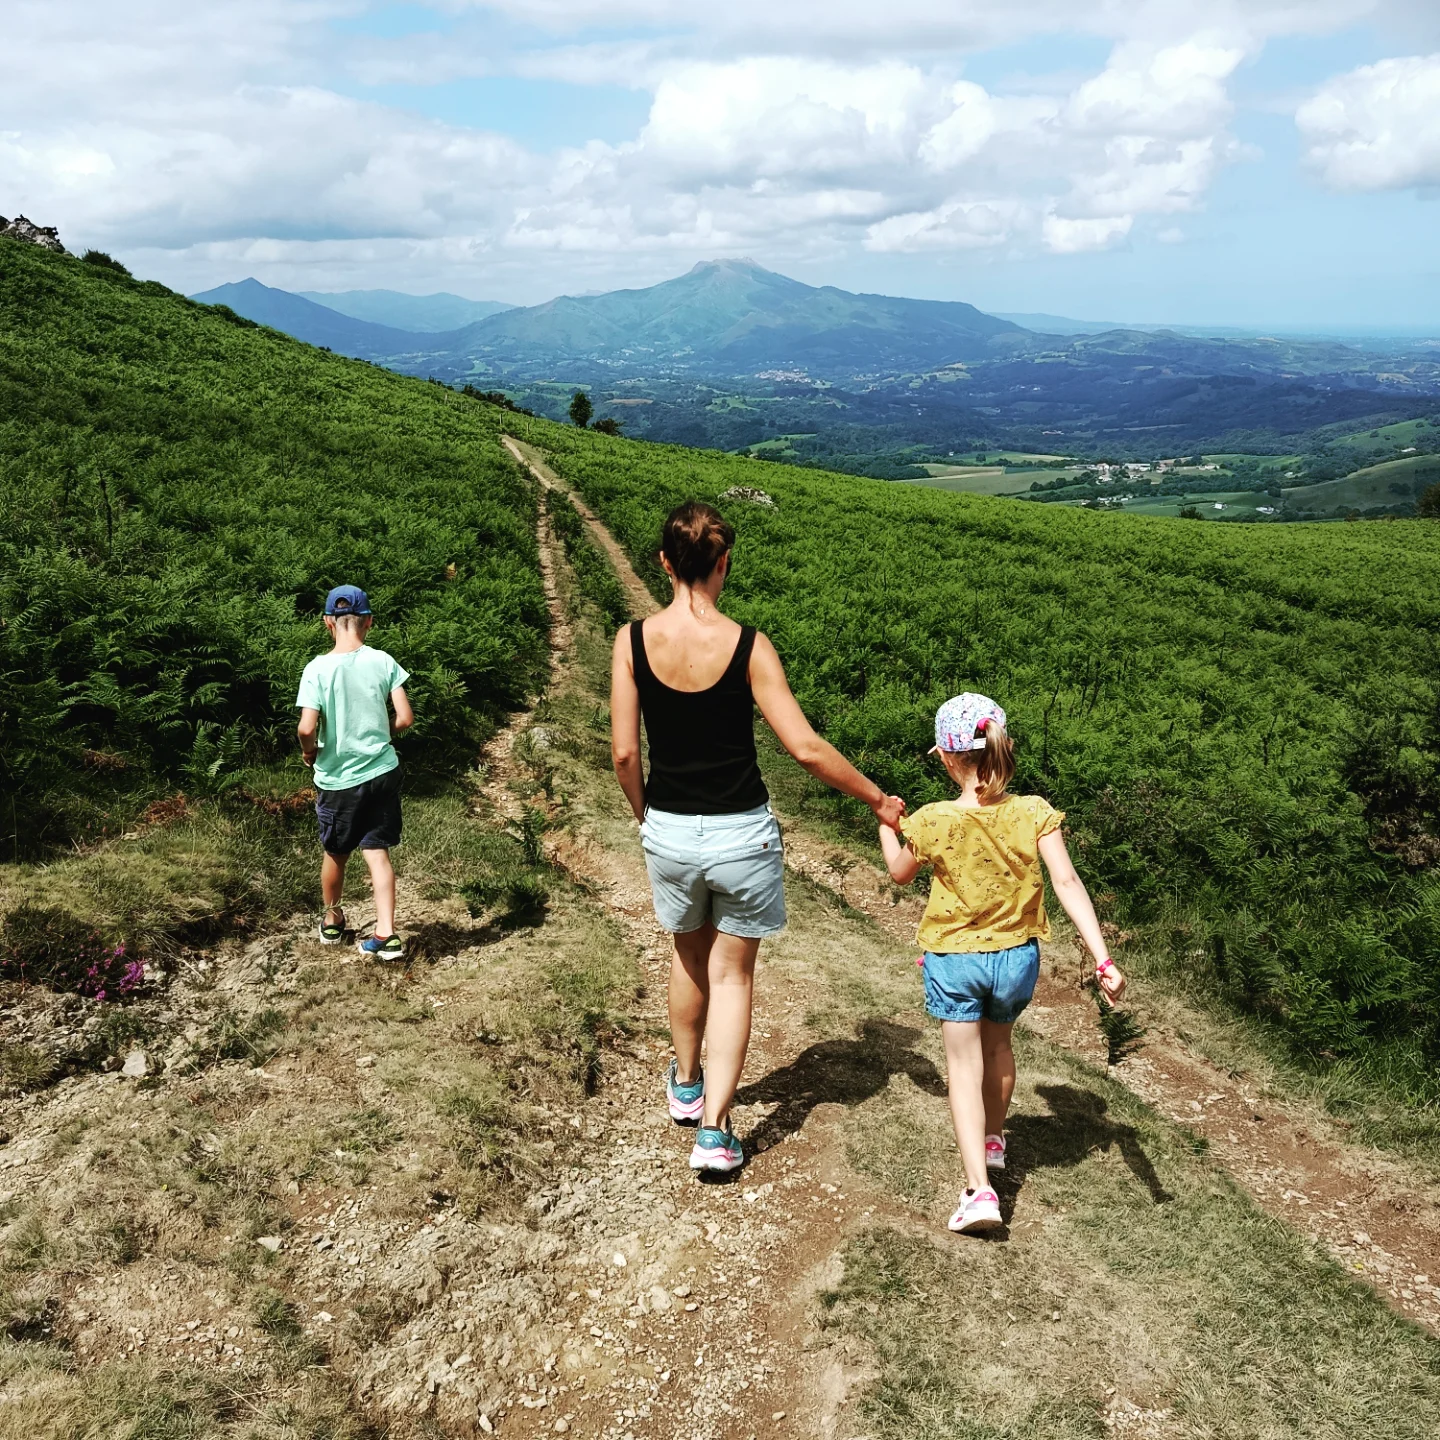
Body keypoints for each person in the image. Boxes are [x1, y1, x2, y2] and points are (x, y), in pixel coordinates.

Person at [611, 501, 906, 1175]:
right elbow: (803, 747)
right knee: (733, 975)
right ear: (723, 565)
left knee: (687, 959)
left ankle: (686, 1087)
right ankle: (714, 1131)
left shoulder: (630, 643)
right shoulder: (749, 645)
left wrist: (645, 816)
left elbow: (625, 754)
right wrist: (877, 800)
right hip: (743, 834)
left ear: (663, 563)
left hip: (672, 830)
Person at [877, 692, 1126, 1233]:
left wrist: (885, 822)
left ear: (946, 757)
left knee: (964, 1068)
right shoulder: (1033, 811)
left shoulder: (932, 819)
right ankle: (994, 1138)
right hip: (1016, 960)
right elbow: (1066, 882)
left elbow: (899, 872)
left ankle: (979, 1192)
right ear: (1000, 744)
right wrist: (1102, 959)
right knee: (1000, 1047)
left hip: (956, 958)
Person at [296, 585, 414, 959]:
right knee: (377, 853)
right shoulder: (383, 661)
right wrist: (380, 733)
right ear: (369, 622)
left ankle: (332, 923)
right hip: (381, 771)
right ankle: (386, 934)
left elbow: (305, 727)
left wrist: (310, 751)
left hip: (339, 780)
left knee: (335, 852)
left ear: (327, 623)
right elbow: (405, 718)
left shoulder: (317, 668)